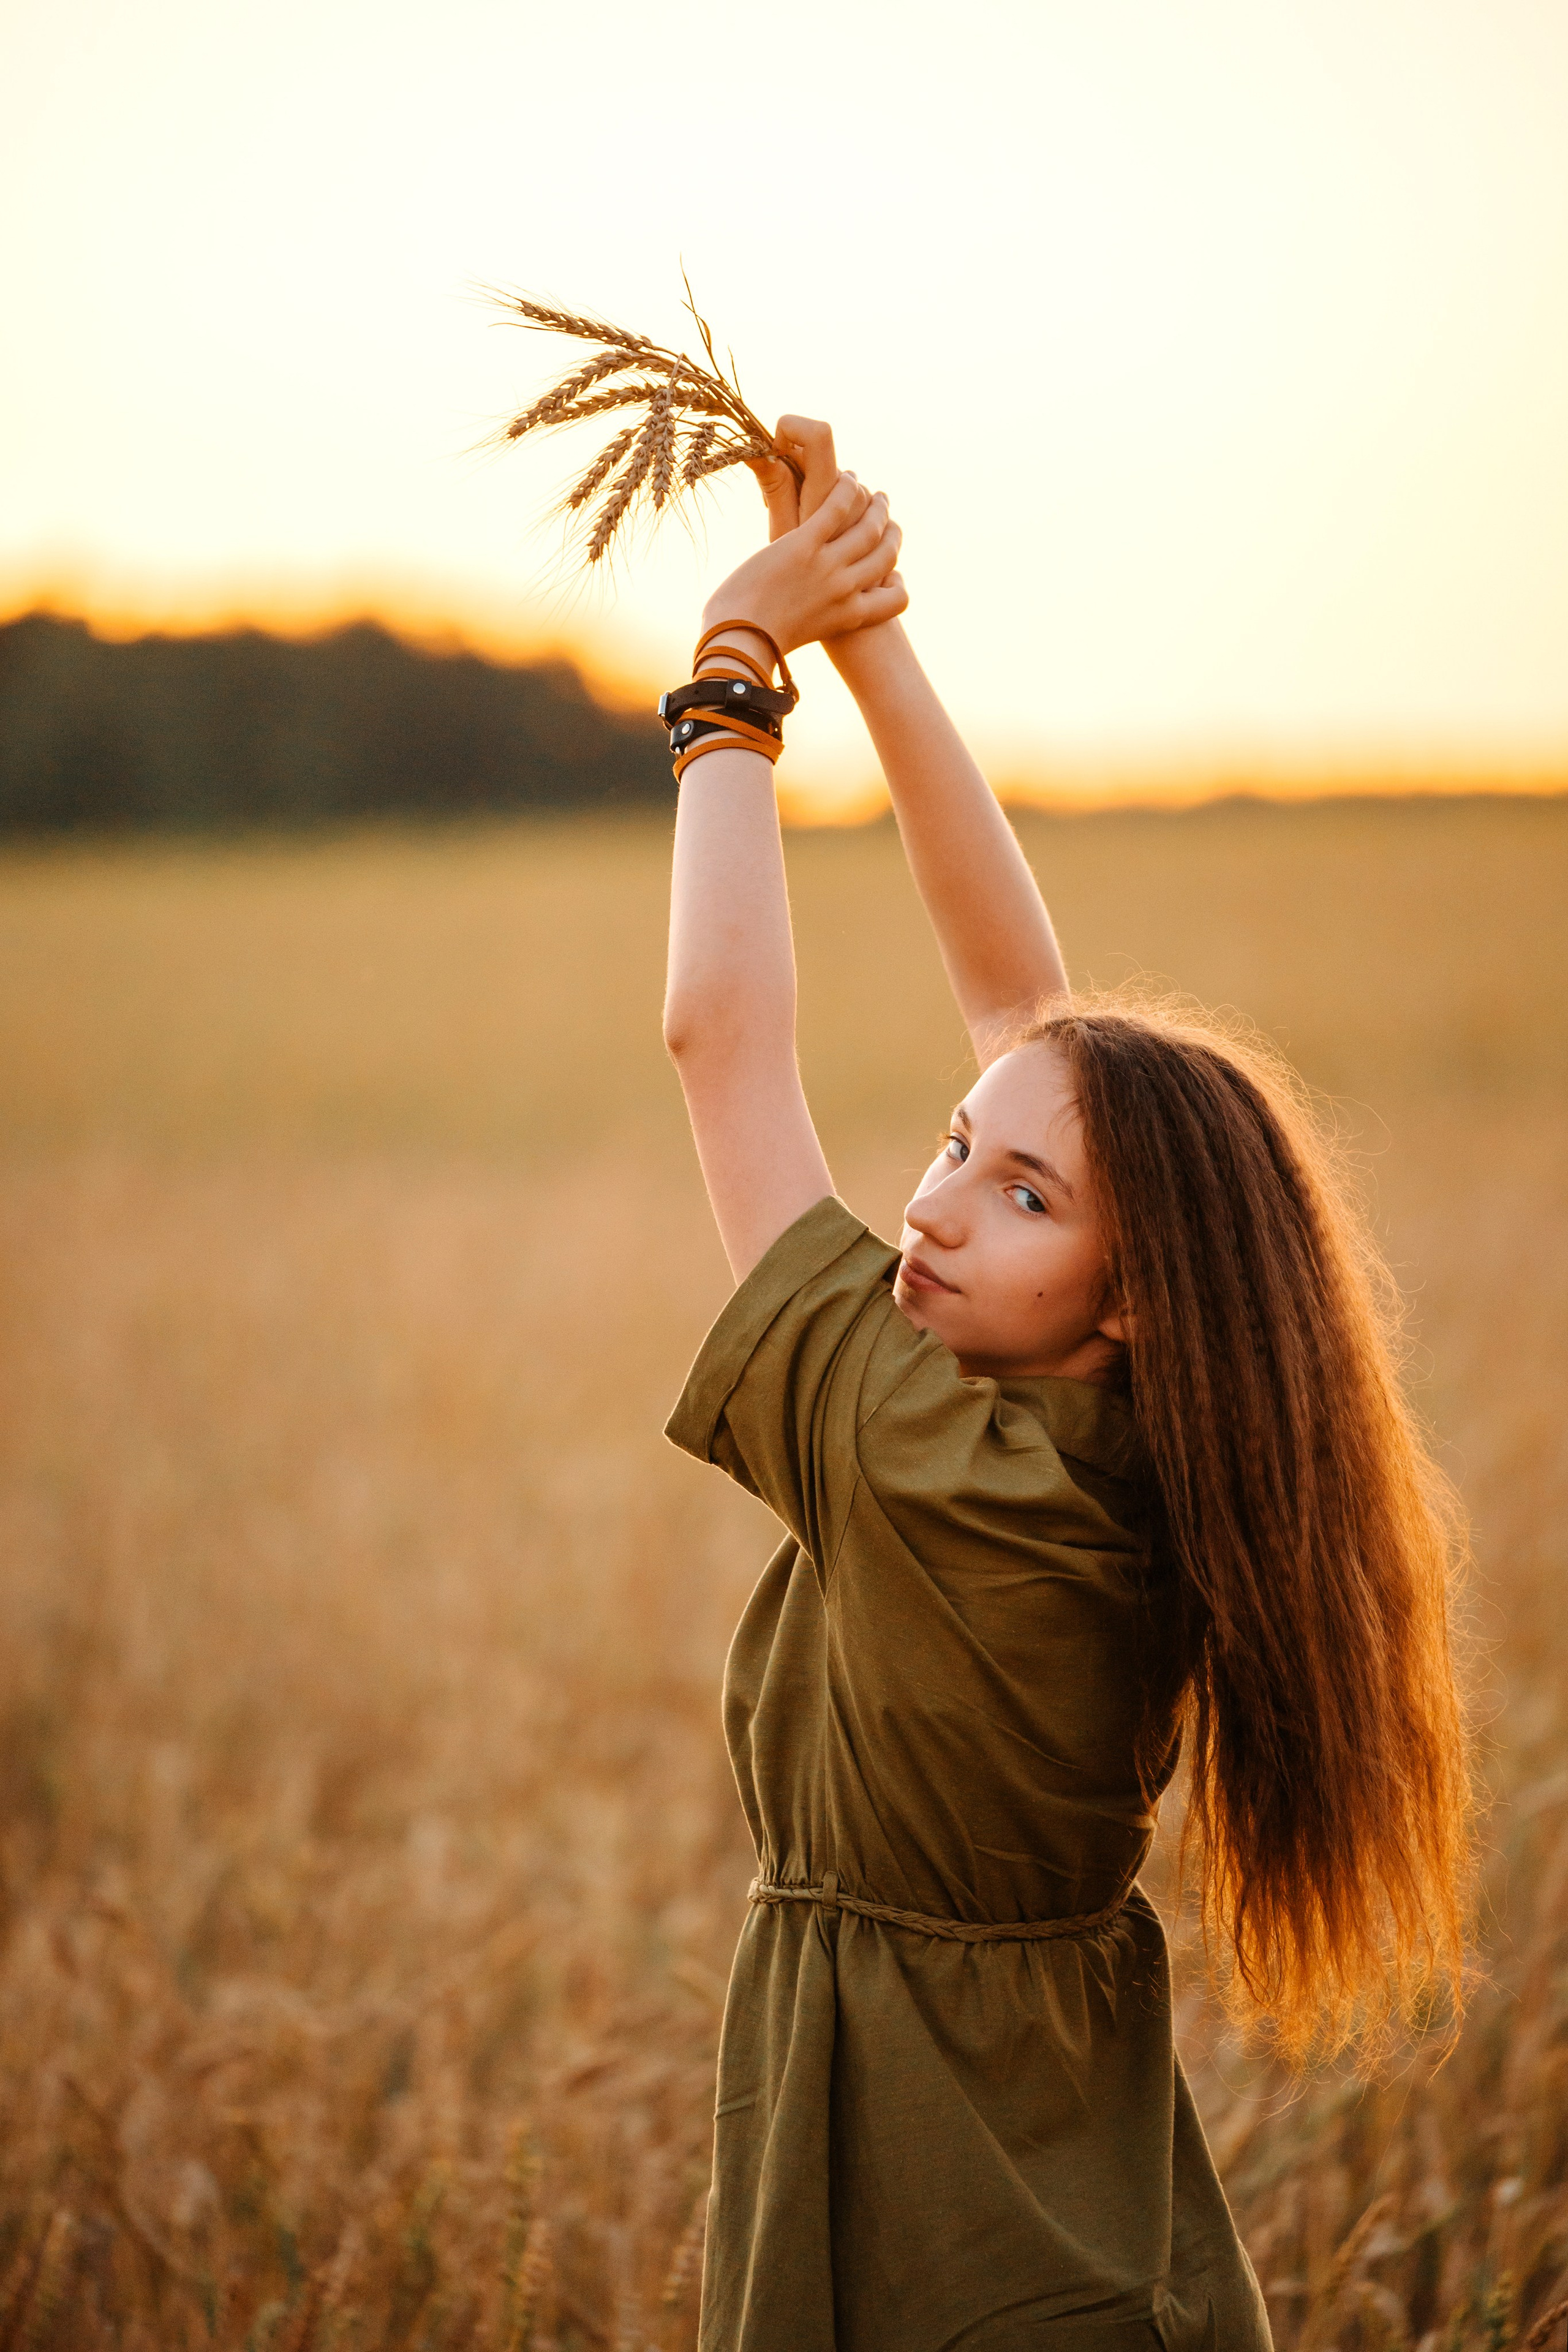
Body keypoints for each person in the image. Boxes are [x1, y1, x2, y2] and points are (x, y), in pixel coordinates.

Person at [660, 420, 1469, 2352]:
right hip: (1071, 2199)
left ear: (1127, 1304)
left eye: (1017, 1198)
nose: (931, 1212)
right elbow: (1038, 1026)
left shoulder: (931, 1456)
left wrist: (733, 680)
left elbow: (718, 1046)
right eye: (951, 1148)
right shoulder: (1157, 1447)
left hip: (924, 2195)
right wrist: (874, 637)